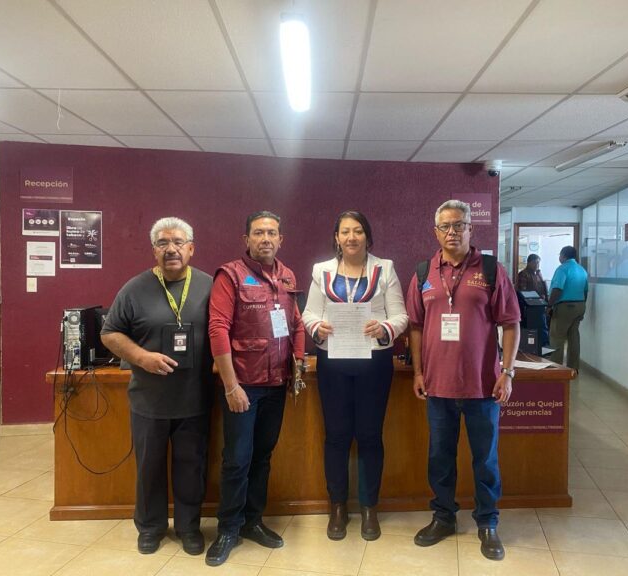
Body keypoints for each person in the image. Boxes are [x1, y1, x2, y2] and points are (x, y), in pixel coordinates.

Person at [405, 199, 520, 561]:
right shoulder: (423, 273)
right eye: (445, 226)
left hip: (483, 386)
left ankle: (487, 522)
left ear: (471, 229)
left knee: (485, 460)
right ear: (435, 231)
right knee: (440, 457)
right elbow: (415, 326)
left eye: (459, 225)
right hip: (437, 386)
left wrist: (507, 372)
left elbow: (511, 323)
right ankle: (443, 517)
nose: (452, 232)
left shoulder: (491, 269)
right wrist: (418, 372)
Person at [101, 217, 213, 556]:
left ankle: (188, 527)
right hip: (149, 400)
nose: (171, 249)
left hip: (195, 398)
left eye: (178, 242)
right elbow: (109, 333)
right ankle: (150, 527)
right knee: (149, 468)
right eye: (163, 243)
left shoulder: (210, 286)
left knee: (191, 467)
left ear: (191, 248)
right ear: (154, 251)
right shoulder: (134, 289)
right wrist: (141, 357)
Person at [206, 210, 306, 567]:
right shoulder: (230, 275)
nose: (266, 238)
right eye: (259, 233)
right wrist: (230, 385)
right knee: (237, 459)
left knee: (262, 457)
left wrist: (297, 365)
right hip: (243, 386)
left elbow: (296, 324)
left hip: (276, 385)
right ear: (246, 239)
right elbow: (218, 328)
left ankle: (253, 521)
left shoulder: (287, 275)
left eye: (272, 233)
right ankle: (228, 529)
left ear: (281, 239)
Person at [302, 210, 408, 541]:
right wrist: (317, 326)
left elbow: (401, 316)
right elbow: (308, 313)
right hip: (333, 362)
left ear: (367, 236)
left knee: (370, 436)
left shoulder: (384, 268)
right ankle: (337, 507)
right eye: (345, 231)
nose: (351, 237)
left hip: (373, 363)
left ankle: (368, 507)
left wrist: (384, 327)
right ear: (336, 237)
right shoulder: (321, 271)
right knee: (336, 435)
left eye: (358, 230)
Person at [548, 245, 588, 373]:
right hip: (580, 305)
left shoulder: (562, 269)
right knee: (573, 337)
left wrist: (549, 305)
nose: (559, 257)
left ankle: (556, 369)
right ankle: (573, 368)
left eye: (560, 255)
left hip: (565, 307)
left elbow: (557, 289)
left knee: (557, 337)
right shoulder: (582, 270)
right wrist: (582, 305)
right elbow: (585, 291)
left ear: (563, 255)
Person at [516, 253, 549, 345]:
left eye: (538, 263)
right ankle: (530, 346)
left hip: (540, 305)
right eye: (535, 263)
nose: (537, 265)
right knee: (530, 328)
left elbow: (543, 288)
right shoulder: (523, 274)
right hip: (529, 307)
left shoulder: (538, 274)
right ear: (529, 263)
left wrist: (545, 298)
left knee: (542, 326)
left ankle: (543, 345)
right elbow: (522, 291)